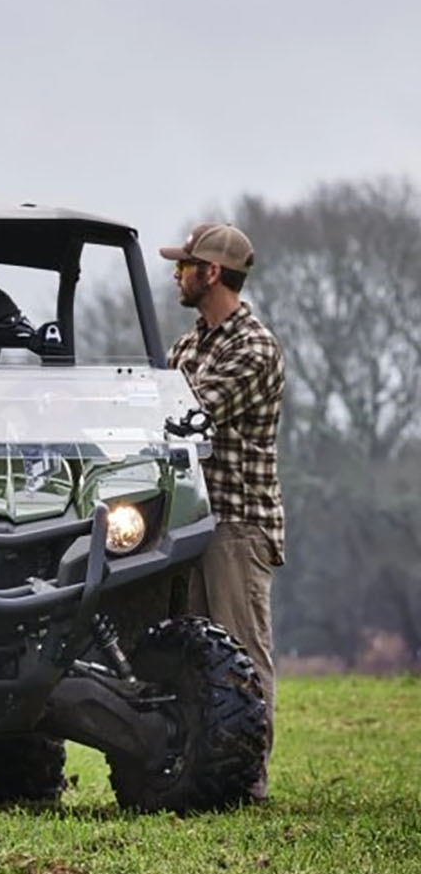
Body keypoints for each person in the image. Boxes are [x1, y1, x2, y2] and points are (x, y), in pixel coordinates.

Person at [161, 220, 285, 799]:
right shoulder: (190, 344)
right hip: (189, 521)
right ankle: (197, 769)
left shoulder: (252, 347)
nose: (176, 274)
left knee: (241, 650)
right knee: (190, 652)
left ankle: (248, 777)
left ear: (211, 273)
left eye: (185, 265)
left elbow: (189, 414)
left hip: (236, 522)